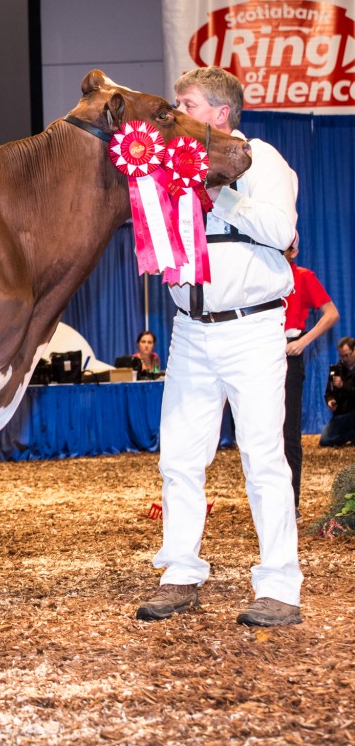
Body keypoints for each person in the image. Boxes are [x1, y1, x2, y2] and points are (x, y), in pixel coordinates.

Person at [136, 67, 303, 627]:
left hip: (252, 330)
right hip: (190, 330)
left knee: (262, 457)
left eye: (185, 103)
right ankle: (180, 573)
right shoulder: (174, 170)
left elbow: (282, 232)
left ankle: (279, 585)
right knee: (179, 458)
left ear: (219, 114)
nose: (177, 111)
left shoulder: (264, 161)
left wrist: (222, 199)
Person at [282, 242, 338, 518]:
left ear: (294, 251)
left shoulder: (303, 276)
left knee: (289, 431)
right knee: (261, 431)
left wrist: (303, 341)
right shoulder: (262, 276)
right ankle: (269, 499)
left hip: (289, 352)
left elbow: (331, 313)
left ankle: (291, 502)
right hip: (259, 352)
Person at [320, 336, 355, 447]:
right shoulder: (336, 369)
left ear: (354, 350)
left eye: (347, 355)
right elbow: (328, 392)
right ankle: (350, 436)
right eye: (341, 356)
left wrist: (342, 386)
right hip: (341, 414)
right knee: (324, 440)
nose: (344, 359)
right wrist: (330, 401)